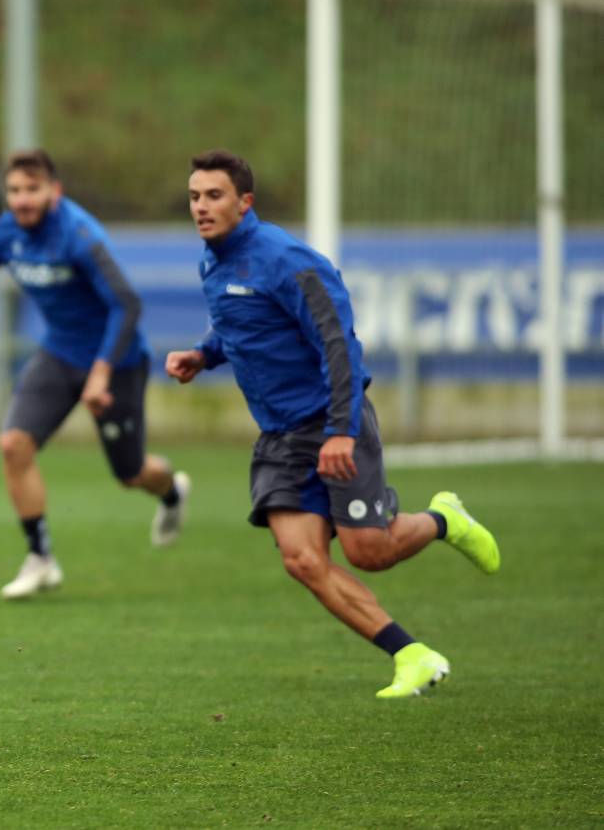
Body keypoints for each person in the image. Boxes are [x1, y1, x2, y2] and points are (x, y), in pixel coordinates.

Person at [165, 149, 500, 698]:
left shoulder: (290, 261)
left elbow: (338, 346)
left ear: (245, 202)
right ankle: (412, 655)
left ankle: (443, 519)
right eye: (195, 197)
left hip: (331, 421)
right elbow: (244, 325)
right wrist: (204, 355)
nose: (202, 207)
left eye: (214, 196)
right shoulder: (212, 260)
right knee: (301, 558)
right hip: (280, 438)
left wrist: (341, 430)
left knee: (371, 552)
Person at [0, 149, 188, 598]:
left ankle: (172, 491)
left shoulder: (79, 235)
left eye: (32, 189)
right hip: (58, 355)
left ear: (55, 191)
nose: (21, 199)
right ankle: (41, 558)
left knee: (131, 474)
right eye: (14, 190)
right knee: (14, 443)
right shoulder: (7, 232)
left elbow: (127, 304)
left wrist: (101, 373)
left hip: (117, 361)